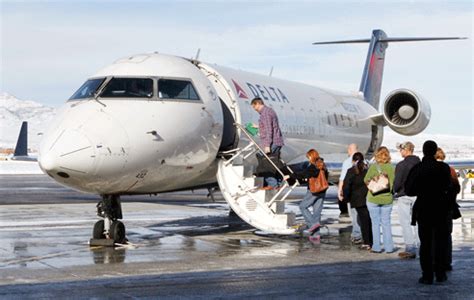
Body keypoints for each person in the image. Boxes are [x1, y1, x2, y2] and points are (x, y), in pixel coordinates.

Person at [405, 140, 452, 284]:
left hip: (424, 208)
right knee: (440, 241)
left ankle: (427, 275)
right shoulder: (443, 168)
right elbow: (448, 186)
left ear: (424, 151)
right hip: (440, 208)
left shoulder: (418, 169)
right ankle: (440, 273)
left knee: (425, 243)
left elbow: (409, 190)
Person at [291, 149, 329, 243]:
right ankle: (316, 235)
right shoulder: (322, 164)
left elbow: (305, 174)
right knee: (317, 212)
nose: (308, 159)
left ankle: (312, 225)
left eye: (309, 157)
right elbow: (326, 176)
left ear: (312, 156)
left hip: (314, 190)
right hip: (322, 190)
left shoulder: (314, 166)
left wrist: (291, 176)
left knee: (302, 206)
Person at [364, 146, 395, 254]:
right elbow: (393, 183)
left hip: (373, 198)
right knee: (386, 223)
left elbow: (365, 180)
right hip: (387, 199)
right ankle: (389, 247)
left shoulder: (373, 167)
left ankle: (376, 247)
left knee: (375, 223)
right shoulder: (391, 168)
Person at [435, 147, 461, 272]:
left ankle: (435, 261)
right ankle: (446, 262)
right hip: (447, 207)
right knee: (446, 236)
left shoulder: (429, 169)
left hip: (432, 207)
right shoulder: (450, 170)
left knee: (433, 236)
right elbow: (456, 187)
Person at [393, 141, 420, 259]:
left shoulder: (401, 165)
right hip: (419, 196)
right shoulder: (420, 164)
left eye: (401, 150)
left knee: (405, 222)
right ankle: (420, 245)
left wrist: (395, 190)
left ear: (406, 150)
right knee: (419, 222)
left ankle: (410, 246)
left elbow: (397, 183)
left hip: (404, 195)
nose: (400, 152)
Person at [251, 97, 284, 188]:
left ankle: (272, 184)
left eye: (255, 107)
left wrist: (267, 145)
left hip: (272, 142)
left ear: (258, 104)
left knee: (263, 161)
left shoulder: (264, 114)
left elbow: (269, 130)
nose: (255, 109)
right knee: (274, 162)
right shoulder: (269, 111)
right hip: (277, 141)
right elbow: (269, 126)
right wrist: (258, 126)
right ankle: (278, 183)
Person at [343, 152, 372, 250]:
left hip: (356, 199)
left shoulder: (351, 171)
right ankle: (371, 240)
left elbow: (346, 186)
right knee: (368, 220)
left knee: (363, 221)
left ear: (353, 161)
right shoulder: (367, 170)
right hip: (368, 197)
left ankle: (367, 242)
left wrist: (346, 198)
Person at [338, 144, 362, 244]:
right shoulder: (365, 162)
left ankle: (357, 235)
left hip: (353, 194)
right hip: (364, 194)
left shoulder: (347, 162)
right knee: (363, 215)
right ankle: (364, 234)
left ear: (350, 150)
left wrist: (340, 192)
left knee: (354, 214)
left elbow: (343, 179)